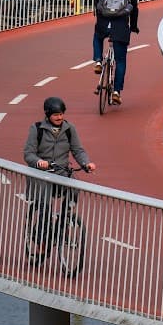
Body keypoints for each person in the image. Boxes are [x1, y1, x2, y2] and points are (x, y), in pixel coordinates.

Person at [23, 97, 96, 247]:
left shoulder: (69, 129)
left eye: (61, 114)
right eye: (56, 115)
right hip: (41, 174)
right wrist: (39, 162)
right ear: (48, 114)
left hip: (61, 171)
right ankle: (41, 241)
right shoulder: (36, 129)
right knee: (45, 206)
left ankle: (64, 219)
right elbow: (28, 154)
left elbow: (77, 150)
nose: (59, 117)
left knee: (75, 186)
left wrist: (86, 163)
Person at [91, 0, 140, 106]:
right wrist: (134, 26)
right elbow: (134, 10)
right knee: (120, 61)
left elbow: (97, 5)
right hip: (120, 27)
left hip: (104, 23)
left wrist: (100, 22)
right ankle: (116, 92)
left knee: (97, 36)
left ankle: (99, 61)